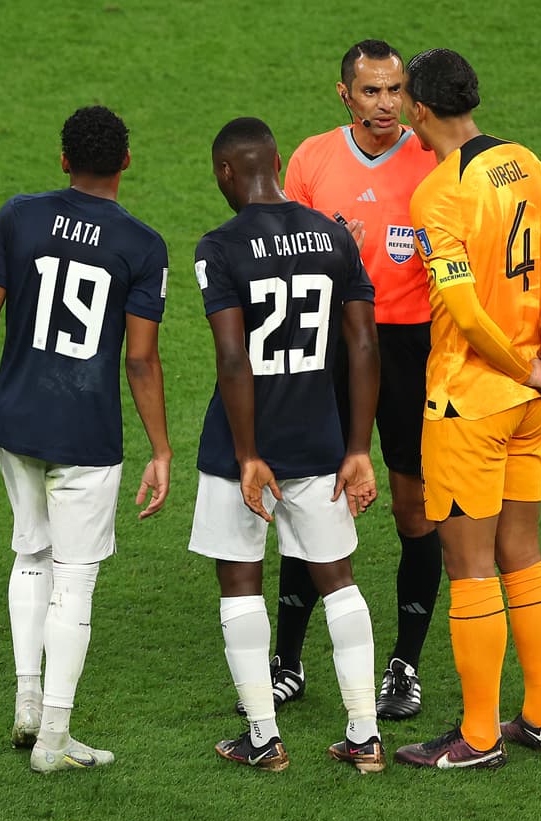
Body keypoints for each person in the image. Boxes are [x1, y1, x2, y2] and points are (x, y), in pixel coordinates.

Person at [392, 49, 541, 769]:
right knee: (523, 552)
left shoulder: (438, 195)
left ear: (420, 110)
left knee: (471, 569)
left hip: (470, 403)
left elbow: (463, 311)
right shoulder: (525, 162)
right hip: (529, 406)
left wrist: (523, 366)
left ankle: (478, 736)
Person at [0, 105, 172, 773]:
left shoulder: (18, 215)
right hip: (86, 432)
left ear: (62, 157)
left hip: (16, 420)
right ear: (127, 161)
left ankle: (27, 700)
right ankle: (53, 738)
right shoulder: (143, 244)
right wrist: (160, 449)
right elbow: (140, 360)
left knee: (29, 552)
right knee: (75, 577)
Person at [251, 38, 439, 722]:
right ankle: (289, 661)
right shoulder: (311, 159)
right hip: (327, 347)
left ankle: (404, 666)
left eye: (395, 91)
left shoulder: (432, 158)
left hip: (410, 347)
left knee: (412, 505)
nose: (386, 105)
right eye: (371, 92)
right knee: (311, 498)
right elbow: (276, 259)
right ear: (344, 95)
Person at [189, 117, 384, 774]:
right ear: (276, 159)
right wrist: (357, 446)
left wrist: (247, 455)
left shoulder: (218, 246)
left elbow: (231, 355)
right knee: (339, 581)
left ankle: (264, 738)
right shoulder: (333, 235)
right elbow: (362, 343)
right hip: (320, 437)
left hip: (242, 444)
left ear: (225, 172)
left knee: (240, 582)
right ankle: (364, 734)